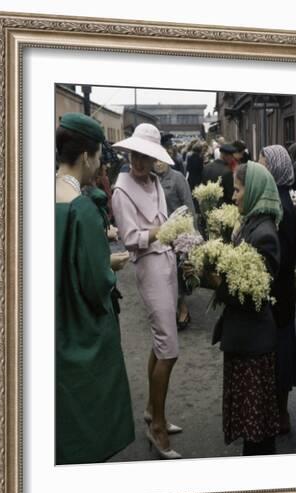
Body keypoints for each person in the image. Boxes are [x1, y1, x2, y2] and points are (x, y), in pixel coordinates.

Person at [55, 113, 134, 465]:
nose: (100, 163)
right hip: (79, 324)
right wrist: (110, 267)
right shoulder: (82, 209)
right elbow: (95, 281)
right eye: (99, 156)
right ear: (86, 156)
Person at [188, 161, 282, 455]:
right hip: (245, 338)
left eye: (238, 190)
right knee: (252, 423)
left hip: (253, 340)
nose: (233, 196)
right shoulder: (250, 223)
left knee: (258, 430)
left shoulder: (263, 233)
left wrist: (211, 278)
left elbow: (253, 291)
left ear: (253, 190)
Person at [112, 123, 182, 459]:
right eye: (135, 154)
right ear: (128, 153)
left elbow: (166, 224)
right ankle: (157, 424)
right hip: (149, 265)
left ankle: (154, 412)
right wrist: (158, 232)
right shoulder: (121, 190)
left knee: (161, 340)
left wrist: (179, 237)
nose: (139, 161)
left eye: (146, 155)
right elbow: (129, 239)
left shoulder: (156, 182)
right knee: (169, 348)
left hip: (167, 261)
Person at [259, 145, 296, 434]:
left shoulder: (282, 206)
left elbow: (281, 259)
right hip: (279, 292)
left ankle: (281, 413)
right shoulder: (277, 199)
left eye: (263, 163)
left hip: (280, 293)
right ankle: (277, 410)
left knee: (281, 351)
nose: (259, 167)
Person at [153, 157, 196, 330]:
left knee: (178, 271)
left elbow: (189, 205)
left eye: (160, 160)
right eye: (154, 161)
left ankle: (183, 309)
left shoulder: (177, 178)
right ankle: (172, 309)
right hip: (157, 234)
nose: (158, 164)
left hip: (178, 233)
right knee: (164, 273)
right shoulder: (152, 179)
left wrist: (191, 233)